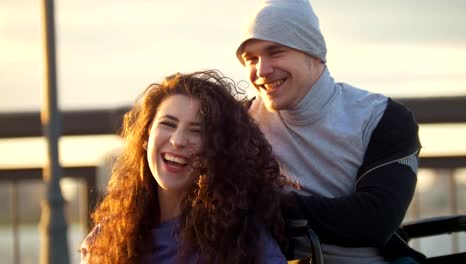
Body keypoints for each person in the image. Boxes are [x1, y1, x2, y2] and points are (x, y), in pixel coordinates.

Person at [235, 0, 423, 263]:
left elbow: (375, 219)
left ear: (313, 53)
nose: (262, 70)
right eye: (251, 59)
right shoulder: (239, 121)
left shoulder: (382, 117)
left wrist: (268, 203)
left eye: (275, 52)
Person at [80, 70, 288, 264]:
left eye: (197, 131)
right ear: (145, 136)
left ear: (219, 149)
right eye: (168, 124)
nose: (178, 140)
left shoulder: (244, 241)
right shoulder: (107, 238)